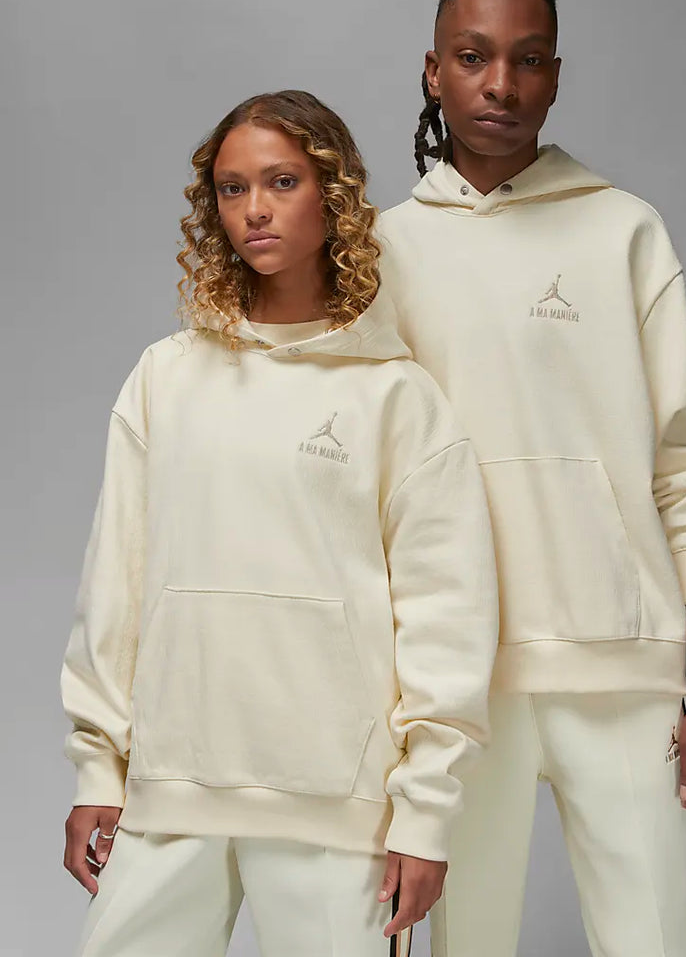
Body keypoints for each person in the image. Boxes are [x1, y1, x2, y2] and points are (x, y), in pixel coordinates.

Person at [60, 90, 499, 957]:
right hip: (172, 790)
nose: (254, 208)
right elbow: (114, 586)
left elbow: (446, 617)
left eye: (281, 182)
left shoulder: (396, 397)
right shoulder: (165, 378)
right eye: (232, 189)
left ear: (332, 196)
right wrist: (96, 768)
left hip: (338, 806)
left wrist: (424, 814)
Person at [377, 0, 686, 957]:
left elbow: (685, 465)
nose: (500, 84)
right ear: (433, 71)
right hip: (453, 683)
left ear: (554, 76)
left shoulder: (624, 230)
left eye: (528, 59)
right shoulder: (380, 253)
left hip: (619, 663)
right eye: (472, 57)